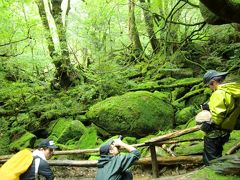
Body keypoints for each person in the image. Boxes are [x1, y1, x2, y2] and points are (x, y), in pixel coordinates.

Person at [200, 70, 240, 165]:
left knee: (211, 160)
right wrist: (210, 106)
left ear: (213, 82)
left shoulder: (218, 93)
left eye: (209, 85)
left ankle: (213, 173)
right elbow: (228, 107)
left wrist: (207, 121)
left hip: (216, 132)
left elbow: (217, 117)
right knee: (218, 153)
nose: (210, 88)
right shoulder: (232, 90)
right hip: (226, 130)